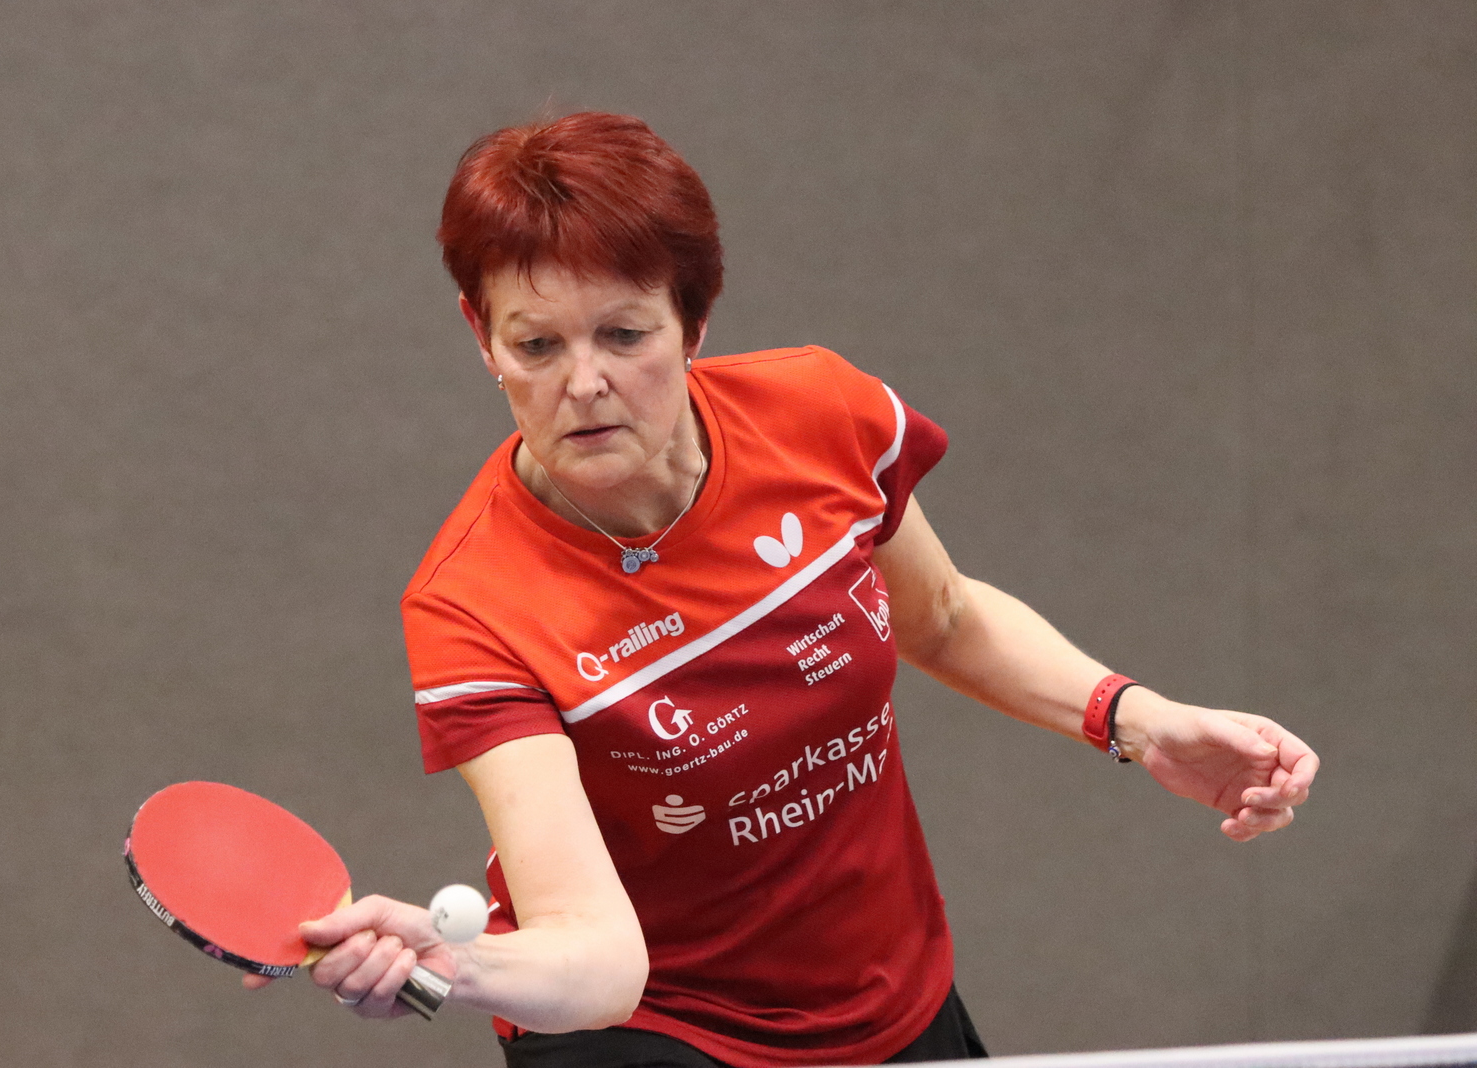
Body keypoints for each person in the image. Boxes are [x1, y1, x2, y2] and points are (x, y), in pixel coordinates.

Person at [244, 112, 1319, 1067]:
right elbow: (596, 955)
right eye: (536, 345)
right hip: (651, 1028)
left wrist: (1138, 719)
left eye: (625, 334)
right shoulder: (471, 605)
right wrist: (456, 966)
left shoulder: (822, 417)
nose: (584, 383)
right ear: (481, 338)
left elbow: (943, 617)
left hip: (887, 991)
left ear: (694, 324)